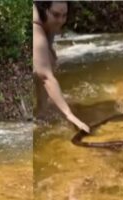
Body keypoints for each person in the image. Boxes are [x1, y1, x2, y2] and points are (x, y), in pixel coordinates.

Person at [33, 1, 90, 133]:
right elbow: (45, 77)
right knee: (43, 69)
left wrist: (49, 49)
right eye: (56, 15)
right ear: (44, 9)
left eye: (64, 15)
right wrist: (69, 115)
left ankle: (42, 109)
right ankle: (40, 113)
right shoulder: (35, 26)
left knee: (50, 59)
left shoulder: (48, 18)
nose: (61, 21)